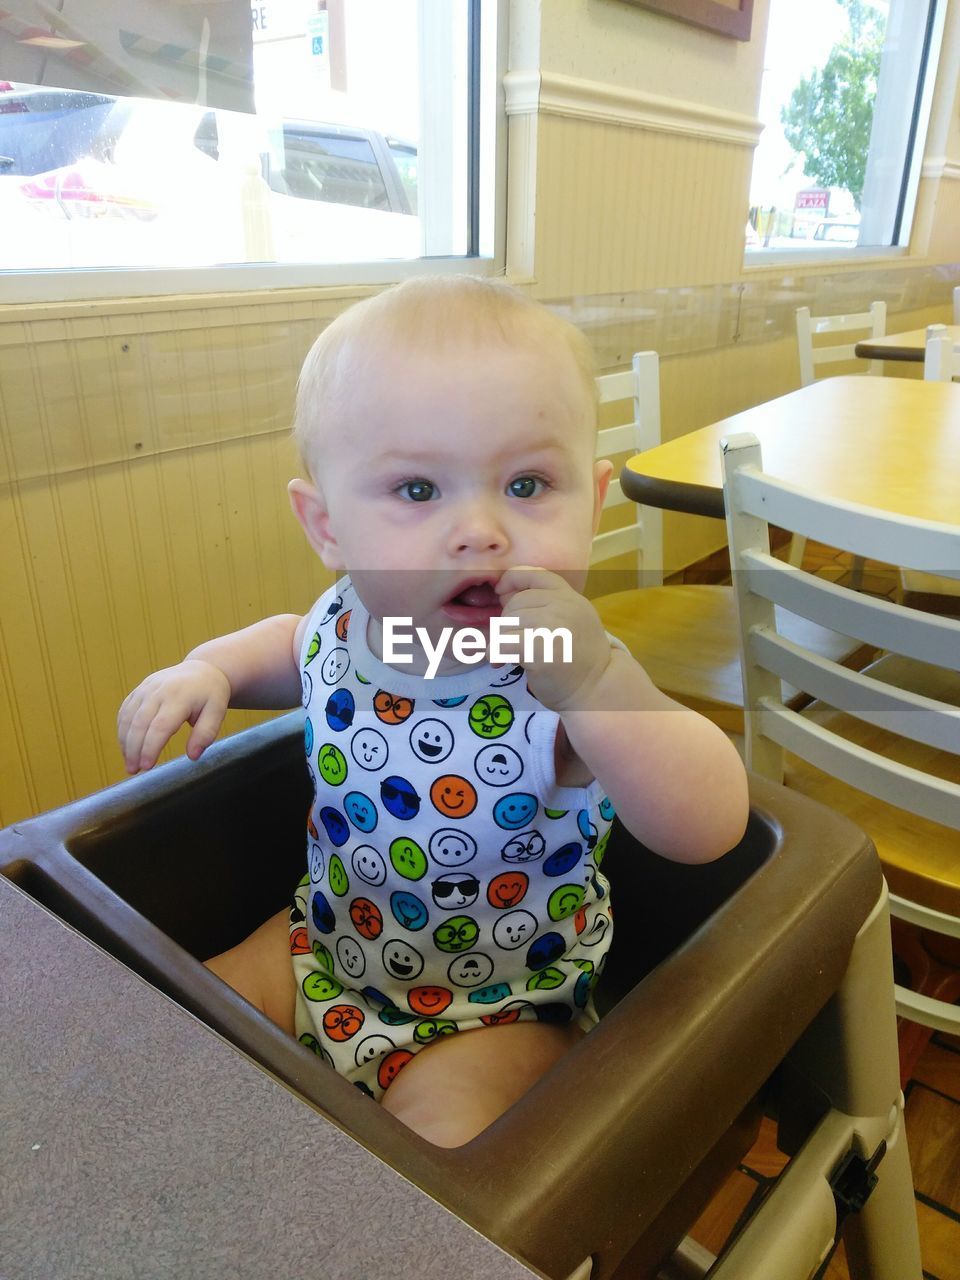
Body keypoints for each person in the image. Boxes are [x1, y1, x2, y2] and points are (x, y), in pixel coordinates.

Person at [118, 276, 749, 1148]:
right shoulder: (345, 617)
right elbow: (288, 644)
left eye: (528, 485)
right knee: (168, 1041)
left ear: (593, 502)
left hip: (497, 1015)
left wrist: (602, 686)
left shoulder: (563, 675)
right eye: (419, 491)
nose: (481, 530)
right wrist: (210, 671)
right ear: (327, 525)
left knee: (436, 1168)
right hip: (319, 952)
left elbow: (709, 824)